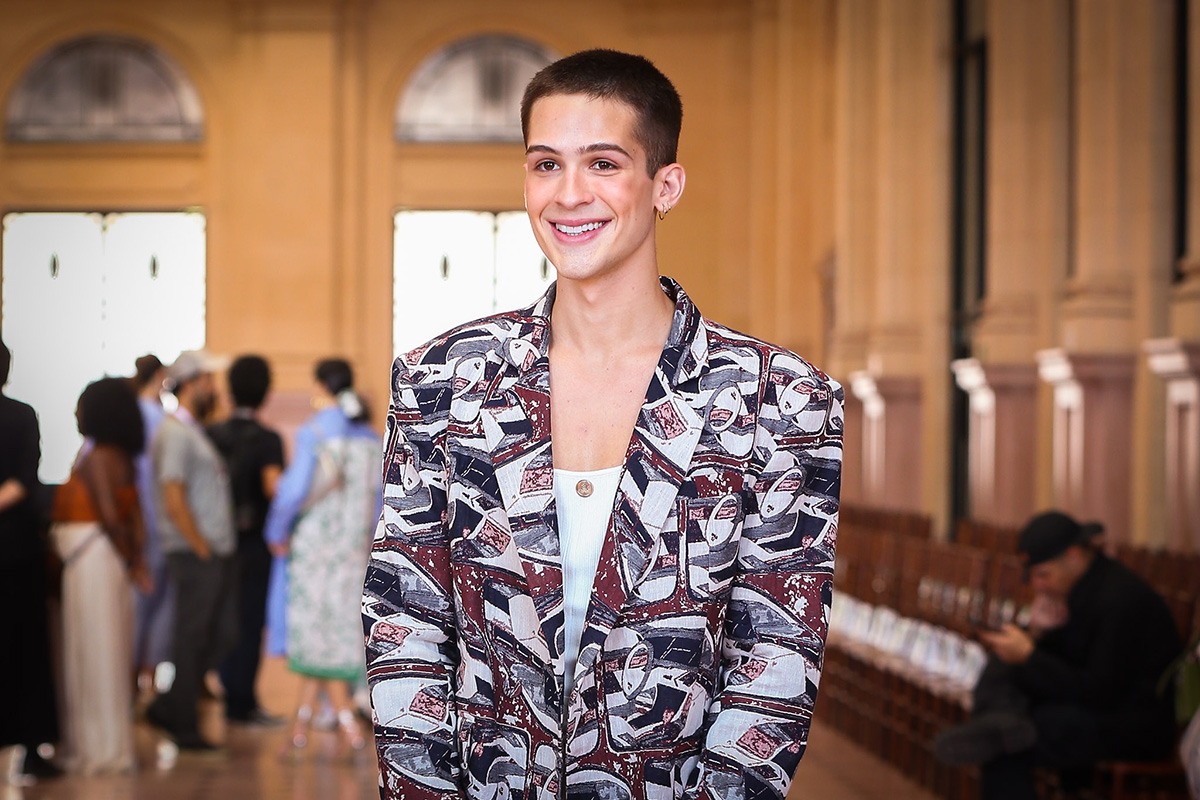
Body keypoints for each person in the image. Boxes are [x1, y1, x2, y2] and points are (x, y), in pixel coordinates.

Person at [361, 49, 844, 800]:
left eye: (604, 164)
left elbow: (776, 655)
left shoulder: (777, 400)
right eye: (546, 165)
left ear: (665, 185)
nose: (569, 195)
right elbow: (405, 622)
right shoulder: (441, 381)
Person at [934, 510, 1182, 800]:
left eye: (1044, 574)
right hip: (1093, 708)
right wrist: (1036, 634)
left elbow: (1099, 690)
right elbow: (1064, 667)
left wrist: (1029, 656)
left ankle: (1000, 722)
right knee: (1006, 689)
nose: (1038, 586)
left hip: (1133, 725)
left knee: (1008, 745)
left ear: (1074, 556)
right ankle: (1001, 720)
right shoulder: (1079, 589)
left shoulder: (1120, 600)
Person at [265, 358, 381, 756]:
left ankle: (342, 721)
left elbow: (294, 490)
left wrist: (276, 531)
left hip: (315, 546)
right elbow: (380, 500)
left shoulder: (313, 432)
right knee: (338, 629)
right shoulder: (371, 438)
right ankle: (303, 721)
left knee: (314, 628)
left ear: (320, 386)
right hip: (355, 548)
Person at [50, 377, 150, 775]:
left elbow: (110, 516)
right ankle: (104, 744)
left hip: (93, 560)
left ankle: (98, 749)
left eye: (81, 406)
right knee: (104, 650)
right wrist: (133, 561)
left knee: (93, 651)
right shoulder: (120, 456)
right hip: (100, 561)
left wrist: (131, 562)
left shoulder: (97, 457)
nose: (76, 414)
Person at [144, 350, 238, 752]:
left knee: (221, 633)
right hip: (195, 552)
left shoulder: (192, 430)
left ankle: (169, 706)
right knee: (193, 636)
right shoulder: (175, 433)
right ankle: (182, 724)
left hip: (211, 552)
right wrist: (199, 544)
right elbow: (173, 493)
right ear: (189, 384)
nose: (213, 389)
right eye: (207, 381)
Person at [208, 355, 285, 725]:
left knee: (224, 618)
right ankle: (244, 703)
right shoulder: (268, 440)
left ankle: (227, 694)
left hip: (215, 541)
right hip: (254, 544)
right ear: (265, 393)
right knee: (251, 621)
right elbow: (274, 488)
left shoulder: (212, 434)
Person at [0, 340, 60, 784]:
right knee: (25, 651)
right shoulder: (22, 415)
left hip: (15, 551)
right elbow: (24, 480)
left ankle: (32, 748)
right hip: (16, 548)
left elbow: (23, 478)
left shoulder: (20, 415)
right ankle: (32, 748)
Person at [131, 354, 174, 696]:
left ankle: (135, 680)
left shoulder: (133, 414)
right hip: (156, 518)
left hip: (138, 515)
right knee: (154, 601)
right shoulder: (158, 419)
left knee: (139, 601)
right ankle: (146, 681)